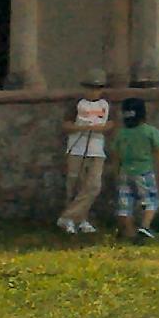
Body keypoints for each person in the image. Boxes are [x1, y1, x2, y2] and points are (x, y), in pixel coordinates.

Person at [59, 71, 115, 234]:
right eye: (91, 88)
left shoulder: (105, 105)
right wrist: (84, 128)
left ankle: (68, 217)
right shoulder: (77, 104)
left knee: (93, 186)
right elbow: (66, 126)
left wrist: (101, 128)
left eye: (97, 88)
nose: (94, 91)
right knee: (75, 185)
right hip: (77, 148)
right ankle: (79, 219)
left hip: (97, 150)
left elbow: (111, 124)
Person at [112, 97, 159, 241]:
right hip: (144, 172)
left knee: (125, 203)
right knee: (151, 200)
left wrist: (116, 171)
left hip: (125, 172)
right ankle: (145, 225)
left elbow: (116, 155)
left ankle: (129, 232)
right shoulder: (150, 131)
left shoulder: (121, 133)